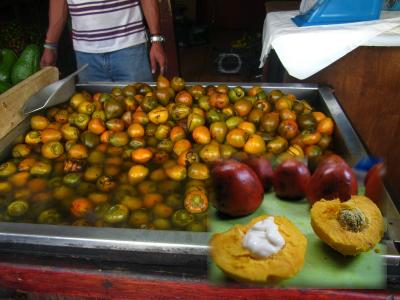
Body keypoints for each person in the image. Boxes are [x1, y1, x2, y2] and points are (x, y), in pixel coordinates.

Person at [40, 0, 167, 82]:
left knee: (140, 111)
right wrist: (50, 45)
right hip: (86, 56)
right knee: (93, 117)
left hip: (130, 50)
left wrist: (156, 40)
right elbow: (58, 4)